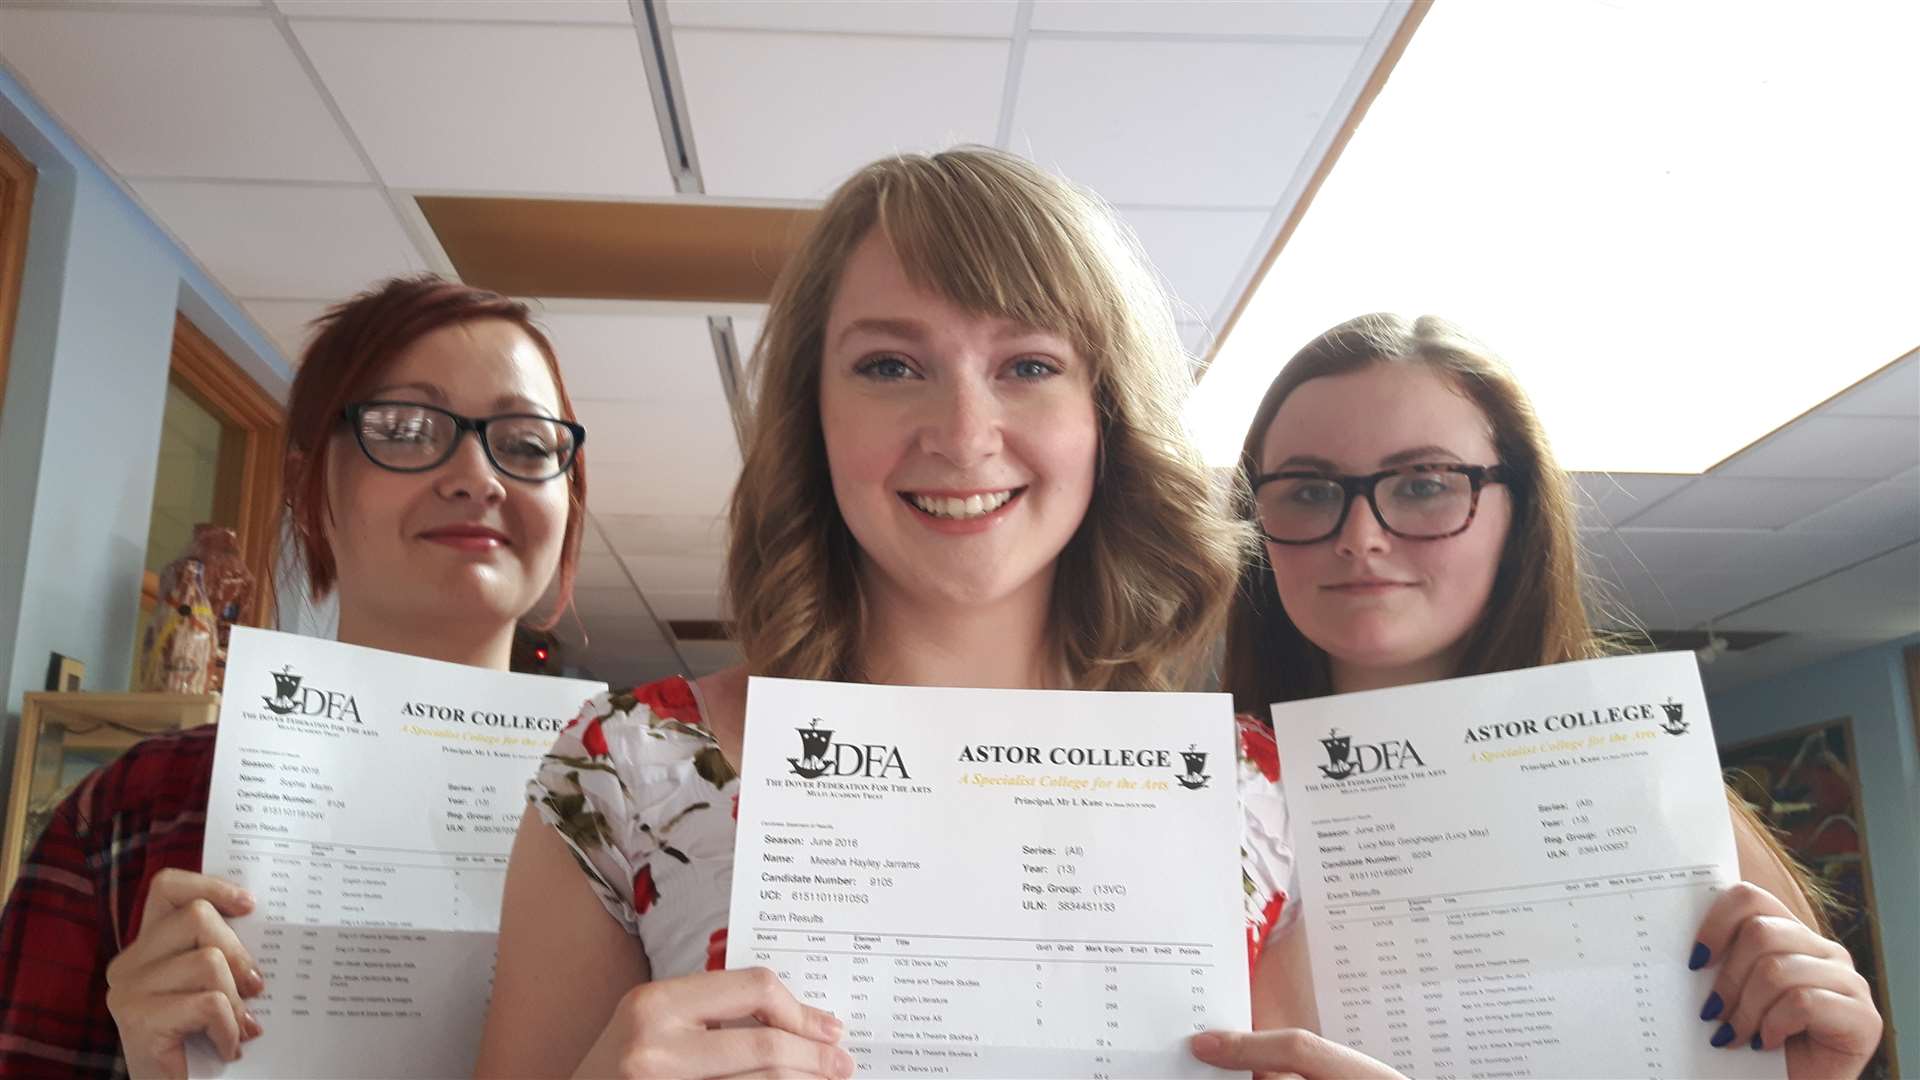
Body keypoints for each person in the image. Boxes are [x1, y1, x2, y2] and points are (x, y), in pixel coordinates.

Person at [474, 147, 1281, 1079]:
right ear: (812, 414)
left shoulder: (1252, 797)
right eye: (891, 365)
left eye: (1028, 363)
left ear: (1106, 414)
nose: (964, 433)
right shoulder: (624, 772)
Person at [1191, 313, 1883, 1079]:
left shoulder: (1666, 803)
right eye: (1309, 490)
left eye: (1424, 484)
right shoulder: (1190, 807)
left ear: (1517, 512)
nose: (1360, 535)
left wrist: (1823, 1075)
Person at [0, 275, 590, 1079]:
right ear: (312, 493)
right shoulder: (131, 814)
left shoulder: (653, 816)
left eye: (526, 443)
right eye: (407, 428)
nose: (477, 475)